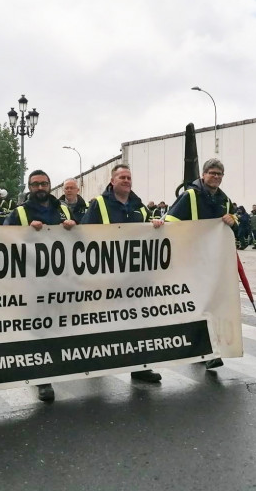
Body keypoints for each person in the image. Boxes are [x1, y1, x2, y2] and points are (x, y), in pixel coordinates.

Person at [81, 164, 163, 383]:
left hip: (135, 277)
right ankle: (97, 365)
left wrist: (156, 225)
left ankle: (140, 367)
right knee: (102, 321)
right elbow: (84, 234)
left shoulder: (139, 206)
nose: (126, 180)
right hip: (106, 275)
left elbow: (149, 233)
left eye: (129, 177)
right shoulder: (99, 204)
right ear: (112, 180)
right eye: (122, 177)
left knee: (137, 322)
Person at [5, 170, 75, 401]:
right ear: (29, 187)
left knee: (60, 327)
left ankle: (59, 367)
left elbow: (82, 239)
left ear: (50, 185)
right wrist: (24, 231)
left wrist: (74, 225)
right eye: (35, 185)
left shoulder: (62, 209)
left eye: (44, 183)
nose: (40, 188)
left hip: (61, 280)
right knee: (39, 330)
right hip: (31, 282)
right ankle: (42, 379)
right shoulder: (20, 213)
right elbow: (3, 239)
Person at [164, 158, 236, 370]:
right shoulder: (190, 196)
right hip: (192, 262)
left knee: (212, 306)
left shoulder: (225, 200)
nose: (216, 177)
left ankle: (206, 349)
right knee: (199, 306)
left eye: (220, 174)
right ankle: (207, 351)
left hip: (215, 264)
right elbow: (171, 224)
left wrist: (234, 221)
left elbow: (238, 224)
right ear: (203, 175)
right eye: (212, 173)